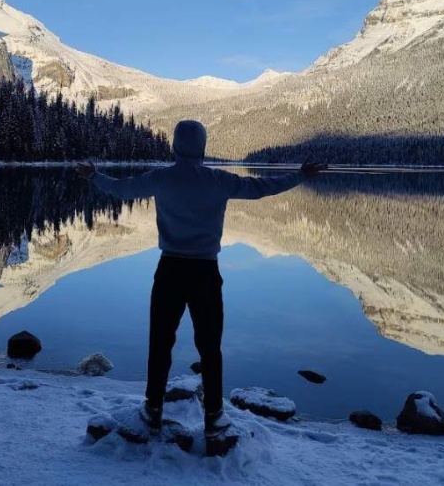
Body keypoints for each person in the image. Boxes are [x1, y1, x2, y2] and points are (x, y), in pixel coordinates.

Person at [77, 119, 325, 442]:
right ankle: (214, 416)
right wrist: (301, 175)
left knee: (160, 343)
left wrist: (94, 176)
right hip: (205, 273)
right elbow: (263, 188)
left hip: (169, 271)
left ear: (175, 146)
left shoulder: (161, 179)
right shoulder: (218, 180)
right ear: (203, 147)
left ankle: (152, 409)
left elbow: (121, 188)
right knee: (210, 348)